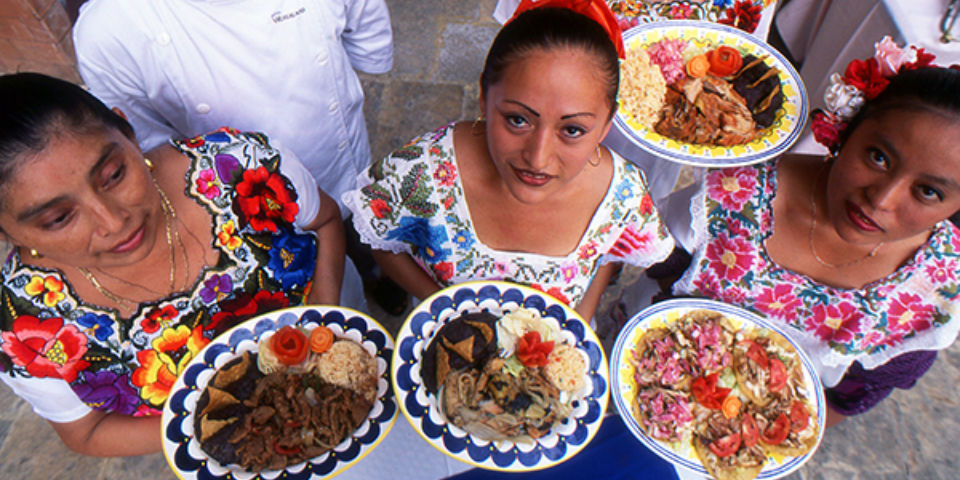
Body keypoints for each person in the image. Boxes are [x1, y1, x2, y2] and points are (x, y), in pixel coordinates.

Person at [0, 73, 346, 456]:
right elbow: (86, 431)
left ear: (128, 133)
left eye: (114, 175)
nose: (114, 222)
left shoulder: (241, 170)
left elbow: (326, 221)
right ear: (7, 233)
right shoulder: (21, 324)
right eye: (59, 218)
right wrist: (232, 429)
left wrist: (324, 325)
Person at [655, 43, 960, 426]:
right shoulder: (735, 191)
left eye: (928, 192)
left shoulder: (929, 296)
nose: (881, 200)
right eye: (878, 157)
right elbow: (659, 263)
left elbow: (847, 398)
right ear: (847, 130)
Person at [342, 1, 675, 328]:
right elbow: (383, 242)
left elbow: (611, 252)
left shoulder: (621, 196)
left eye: (572, 130)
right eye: (517, 120)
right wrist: (448, 312)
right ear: (485, 99)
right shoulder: (424, 171)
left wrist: (580, 319)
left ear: (605, 126)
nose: (538, 157)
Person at [72, 0, 395, 311]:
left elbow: (365, 39)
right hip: (243, 199)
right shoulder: (109, 28)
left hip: (333, 158)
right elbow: (147, 145)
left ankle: (381, 272)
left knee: (359, 227)